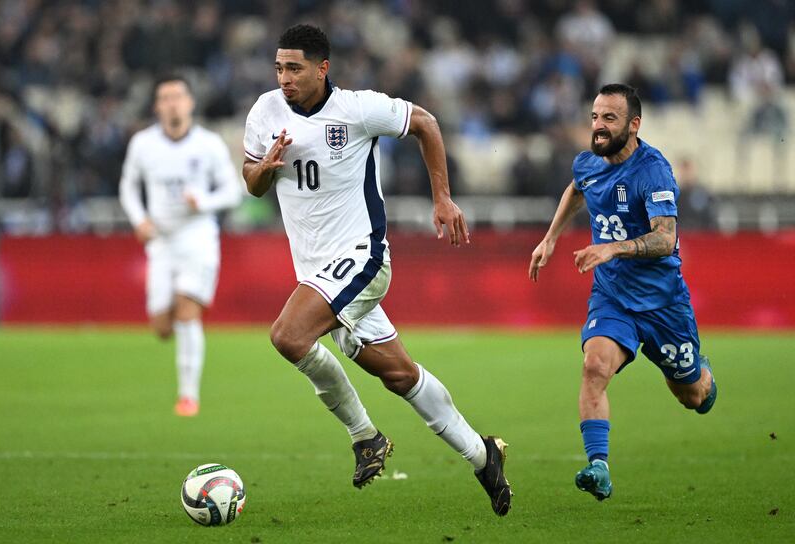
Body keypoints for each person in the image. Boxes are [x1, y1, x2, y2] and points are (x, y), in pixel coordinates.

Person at [242, 24, 511, 516]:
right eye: (279, 67)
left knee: (288, 336)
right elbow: (252, 183)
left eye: (295, 68)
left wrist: (443, 198)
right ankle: (482, 453)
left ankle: (365, 437)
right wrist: (266, 167)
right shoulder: (265, 111)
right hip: (315, 271)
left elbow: (426, 123)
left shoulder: (358, 109)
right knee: (399, 375)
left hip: (363, 258)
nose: (284, 78)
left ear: (322, 69)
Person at [529, 84, 717, 501]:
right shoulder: (588, 163)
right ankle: (599, 467)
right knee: (594, 367)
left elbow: (665, 239)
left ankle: (702, 376)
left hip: (663, 303)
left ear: (634, 125)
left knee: (692, 395)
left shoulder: (653, 171)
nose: (598, 126)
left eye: (609, 119)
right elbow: (577, 189)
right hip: (613, 297)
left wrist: (612, 247)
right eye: (595, 117)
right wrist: (551, 238)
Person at [119, 75, 242, 417]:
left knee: (187, 310)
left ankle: (188, 396)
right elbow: (128, 187)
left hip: (198, 237)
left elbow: (231, 191)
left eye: (178, 96)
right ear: (158, 106)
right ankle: (178, 315)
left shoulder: (209, 144)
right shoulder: (143, 144)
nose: (172, 103)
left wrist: (202, 201)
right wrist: (139, 220)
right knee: (161, 327)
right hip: (160, 241)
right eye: (165, 98)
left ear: (190, 103)